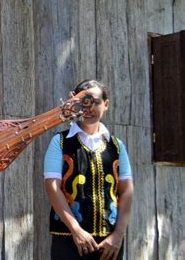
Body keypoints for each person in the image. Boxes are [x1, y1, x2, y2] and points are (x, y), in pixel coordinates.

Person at [43, 80, 134, 260]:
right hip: (68, 240)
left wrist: (118, 235)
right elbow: (52, 188)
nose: (89, 109)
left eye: (96, 102)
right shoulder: (60, 142)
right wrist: (76, 230)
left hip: (109, 244)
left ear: (106, 104)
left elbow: (127, 192)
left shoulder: (117, 146)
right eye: (83, 103)